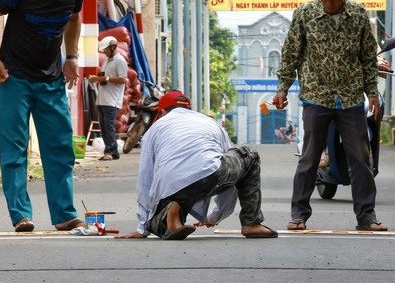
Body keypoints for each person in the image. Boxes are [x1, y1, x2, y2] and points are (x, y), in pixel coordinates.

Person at [273, 0, 388, 232]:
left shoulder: (358, 16)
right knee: (310, 156)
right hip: (316, 96)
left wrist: (372, 92)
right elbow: (291, 53)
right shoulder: (305, 14)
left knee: (360, 157)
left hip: (349, 98)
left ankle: (366, 216)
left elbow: (367, 58)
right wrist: (282, 87)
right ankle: (299, 213)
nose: (328, 2)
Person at [0, 0, 86, 232]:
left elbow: (75, 18)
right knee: (14, 149)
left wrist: (72, 56)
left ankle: (64, 213)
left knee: (60, 147)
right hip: (15, 78)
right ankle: (20, 215)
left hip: (51, 80)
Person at [115, 91, 278, 240]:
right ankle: (251, 223)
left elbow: (145, 180)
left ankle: (172, 215)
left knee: (158, 217)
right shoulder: (209, 122)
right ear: (189, 108)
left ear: (163, 112)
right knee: (249, 155)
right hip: (209, 174)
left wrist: (142, 227)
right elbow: (233, 173)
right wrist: (215, 216)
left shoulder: (153, 131)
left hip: (169, 186)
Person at [88, 36, 127, 160]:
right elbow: (105, 77)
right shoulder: (107, 61)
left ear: (112, 47)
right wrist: (98, 79)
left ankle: (109, 151)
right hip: (103, 98)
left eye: (106, 50)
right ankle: (113, 151)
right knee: (104, 127)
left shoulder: (120, 61)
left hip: (112, 100)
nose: (104, 52)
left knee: (109, 127)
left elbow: (122, 79)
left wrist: (105, 79)